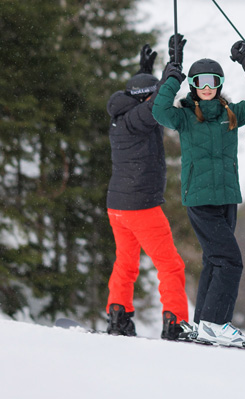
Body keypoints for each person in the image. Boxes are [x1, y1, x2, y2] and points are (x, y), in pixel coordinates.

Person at [151, 34, 245, 348]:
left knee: (216, 261)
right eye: (199, 81)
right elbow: (158, 111)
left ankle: (204, 323)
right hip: (201, 201)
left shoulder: (231, 115)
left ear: (218, 84)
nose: (206, 86)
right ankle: (217, 323)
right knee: (231, 262)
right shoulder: (186, 117)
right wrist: (172, 75)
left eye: (212, 81)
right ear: (193, 85)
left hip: (227, 199)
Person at [105, 43, 193, 340]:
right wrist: (173, 71)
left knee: (125, 262)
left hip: (117, 207)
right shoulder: (140, 117)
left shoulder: (123, 115)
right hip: (140, 207)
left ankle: (118, 318)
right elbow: (157, 102)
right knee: (170, 265)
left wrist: (146, 72)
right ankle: (175, 322)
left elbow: (147, 97)